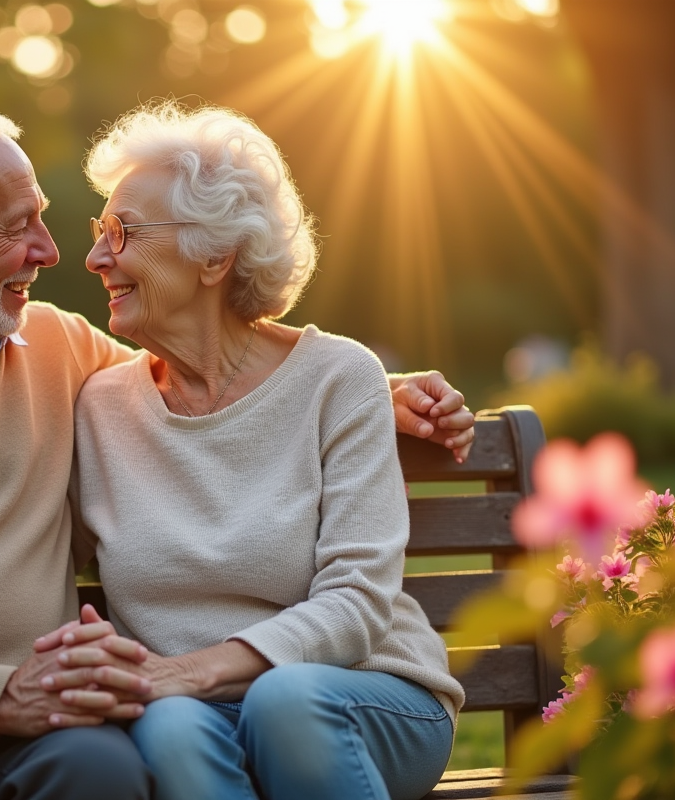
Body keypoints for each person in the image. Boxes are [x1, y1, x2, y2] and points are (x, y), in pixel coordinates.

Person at [0, 97, 473, 800]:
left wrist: (376, 393)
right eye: (20, 227)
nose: (55, 253)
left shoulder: (54, 346)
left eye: (64, 225)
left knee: (101, 768)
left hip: (44, 708)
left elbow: (220, 384)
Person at [44, 101, 466, 800]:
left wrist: (188, 670)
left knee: (283, 703)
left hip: (363, 694)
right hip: (190, 709)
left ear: (215, 255)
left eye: (121, 232)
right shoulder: (101, 406)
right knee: (170, 728)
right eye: (99, 232)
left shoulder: (339, 379)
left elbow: (358, 606)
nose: (94, 257)